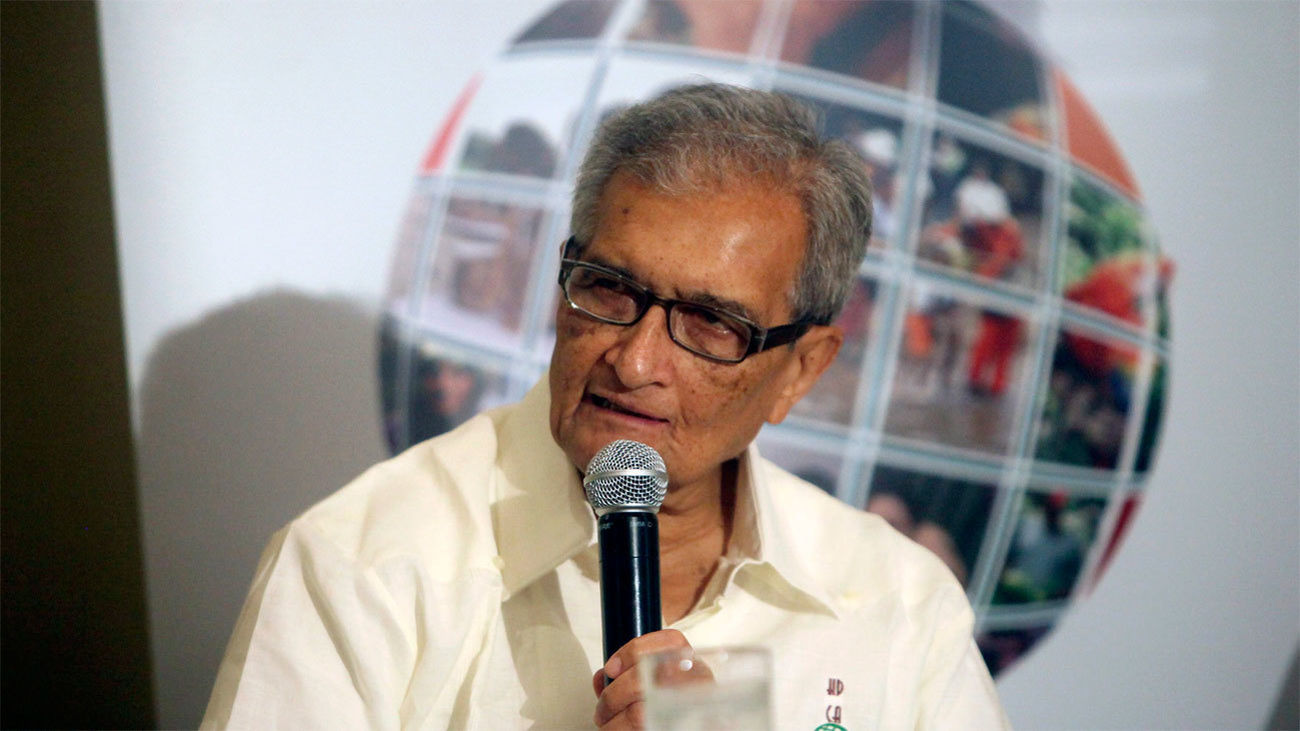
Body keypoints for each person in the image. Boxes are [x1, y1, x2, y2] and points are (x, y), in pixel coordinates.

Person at [202, 83, 1008, 729]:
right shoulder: (361, 567)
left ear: (800, 370)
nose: (635, 360)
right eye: (610, 288)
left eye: (711, 323)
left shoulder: (901, 604)